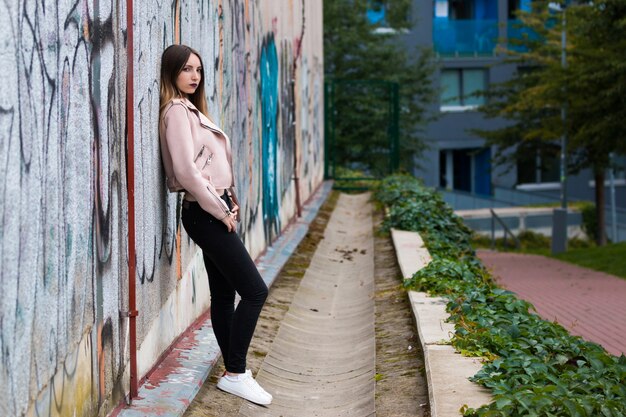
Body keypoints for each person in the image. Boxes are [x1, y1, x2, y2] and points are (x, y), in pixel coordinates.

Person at [158, 44, 272, 406]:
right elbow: (186, 172)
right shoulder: (176, 110)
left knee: (225, 295)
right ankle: (236, 373)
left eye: (199, 70)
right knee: (255, 291)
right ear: (171, 73)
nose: (195, 76)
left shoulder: (191, 109)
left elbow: (209, 166)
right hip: (204, 213)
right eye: (187, 70)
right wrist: (221, 211)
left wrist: (230, 199)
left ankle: (233, 369)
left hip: (213, 207)